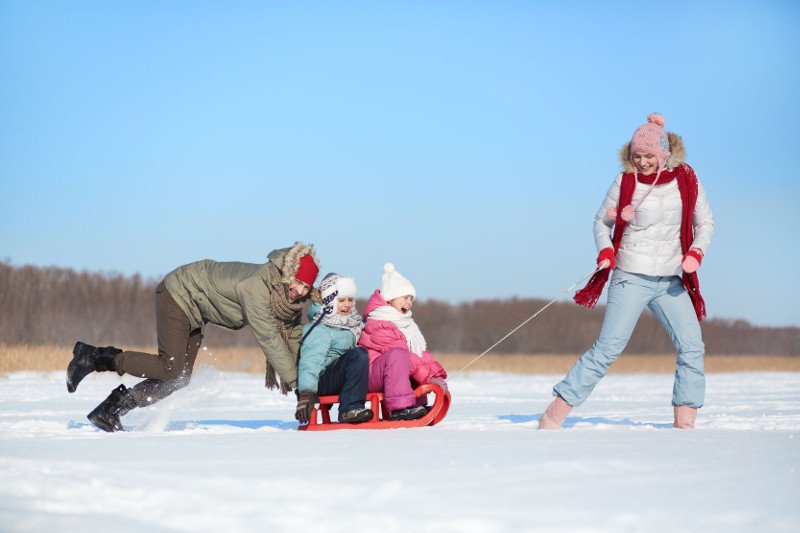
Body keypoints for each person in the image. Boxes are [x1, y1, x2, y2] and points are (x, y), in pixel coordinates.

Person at [539, 114, 714, 430]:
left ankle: (685, 425)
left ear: (663, 154)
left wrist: (696, 252)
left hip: (672, 278)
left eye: (649, 156)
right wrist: (605, 249)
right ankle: (554, 414)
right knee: (608, 348)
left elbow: (706, 223)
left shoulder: (687, 179)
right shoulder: (625, 182)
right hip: (630, 275)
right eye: (637, 156)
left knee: (692, 346)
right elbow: (600, 222)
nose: (643, 163)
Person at [66, 241, 320, 432]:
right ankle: (93, 357)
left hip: (196, 308)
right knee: (170, 366)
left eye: (306, 287)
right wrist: (299, 385)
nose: (299, 291)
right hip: (180, 293)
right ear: (287, 276)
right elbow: (269, 337)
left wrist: (306, 374)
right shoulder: (258, 287)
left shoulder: (285, 300)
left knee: (179, 378)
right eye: (297, 282)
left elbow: (294, 334)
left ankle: (110, 410)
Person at [358, 263, 448, 421]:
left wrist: (436, 375)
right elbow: (405, 356)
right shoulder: (379, 323)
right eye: (405, 297)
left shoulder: (407, 325)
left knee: (411, 356)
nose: (409, 302)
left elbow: (420, 353)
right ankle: (400, 408)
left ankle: (415, 404)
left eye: (411, 298)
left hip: (391, 373)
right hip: (372, 375)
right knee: (400, 356)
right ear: (389, 299)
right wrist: (428, 378)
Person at [294, 273, 373, 424]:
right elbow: (311, 361)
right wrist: (306, 392)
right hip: (320, 381)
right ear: (329, 301)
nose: (347, 304)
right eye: (341, 300)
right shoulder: (320, 328)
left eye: (350, 300)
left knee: (364, 356)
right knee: (358, 355)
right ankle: (349, 409)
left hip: (340, 376)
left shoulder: (352, 323)